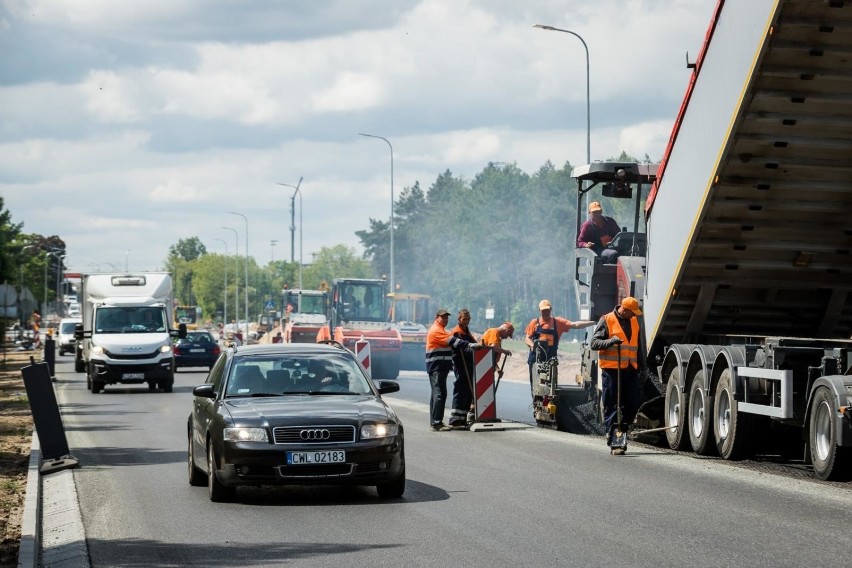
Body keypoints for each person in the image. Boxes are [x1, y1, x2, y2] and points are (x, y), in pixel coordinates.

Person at [590, 296, 643, 455]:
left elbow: (638, 346)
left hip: (630, 370)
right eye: (632, 312)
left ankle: (622, 430)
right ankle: (616, 441)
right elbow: (594, 343)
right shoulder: (607, 320)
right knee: (612, 406)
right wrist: (610, 341)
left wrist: (643, 367)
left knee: (633, 403)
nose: (634, 315)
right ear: (624, 310)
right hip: (612, 371)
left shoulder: (633, 321)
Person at [426, 308, 480, 432]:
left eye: (446, 317)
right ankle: (437, 423)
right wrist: (469, 345)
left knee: (436, 395)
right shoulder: (437, 330)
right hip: (436, 367)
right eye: (442, 317)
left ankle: (435, 422)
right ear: (436, 318)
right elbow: (452, 341)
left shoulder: (442, 330)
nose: (445, 319)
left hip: (441, 367)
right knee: (439, 395)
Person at [524, 300, 594, 390]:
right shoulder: (534, 322)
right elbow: (527, 338)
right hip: (535, 358)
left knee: (550, 386)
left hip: (550, 359)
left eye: (547, 310)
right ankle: (536, 402)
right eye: (543, 310)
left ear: (551, 310)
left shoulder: (558, 322)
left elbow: (575, 324)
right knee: (535, 386)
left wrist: (593, 322)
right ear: (539, 311)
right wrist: (533, 345)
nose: (545, 312)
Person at [448, 309, 477, 429]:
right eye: (464, 319)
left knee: (468, 389)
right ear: (459, 319)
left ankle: (463, 418)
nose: (467, 321)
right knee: (461, 388)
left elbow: (473, 343)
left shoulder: (466, 332)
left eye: (468, 319)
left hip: (469, 364)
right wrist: (472, 349)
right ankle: (455, 418)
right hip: (460, 364)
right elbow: (462, 347)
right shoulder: (456, 332)